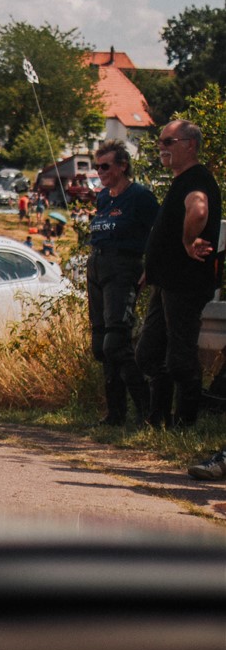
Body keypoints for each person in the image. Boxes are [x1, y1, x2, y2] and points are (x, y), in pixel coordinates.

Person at [135, 120, 221, 428]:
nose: (162, 147)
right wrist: (152, 271)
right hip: (165, 281)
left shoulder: (196, 180)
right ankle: (158, 418)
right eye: (160, 142)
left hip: (185, 284)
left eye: (169, 142)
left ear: (190, 145)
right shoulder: (182, 179)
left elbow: (198, 210)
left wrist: (188, 242)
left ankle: (184, 424)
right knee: (148, 353)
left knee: (180, 358)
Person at [85, 140, 158, 426]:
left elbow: (160, 231)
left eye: (106, 166)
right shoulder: (104, 197)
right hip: (98, 264)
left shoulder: (139, 196)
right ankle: (115, 413)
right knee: (101, 344)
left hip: (124, 266)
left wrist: (150, 267)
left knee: (117, 341)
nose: (100, 172)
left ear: (122, 166)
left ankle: (146, 410)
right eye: (97, 166)